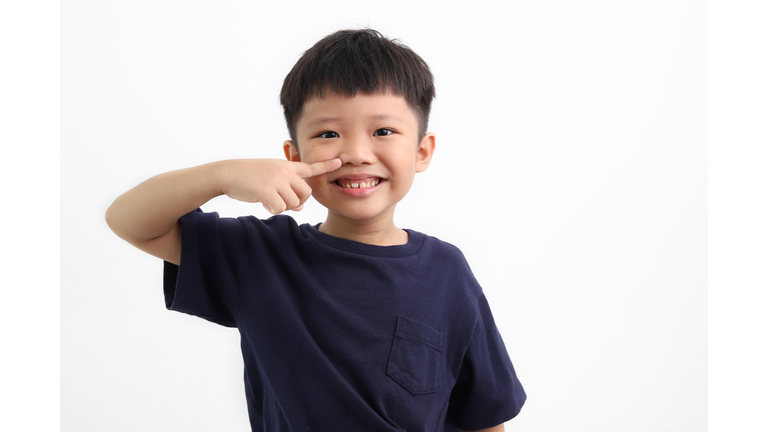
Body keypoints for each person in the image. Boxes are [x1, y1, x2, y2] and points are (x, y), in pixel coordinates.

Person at [106, 28, 526, 432]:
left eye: (383, 131)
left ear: (421, 150)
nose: (357, 154)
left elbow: (484, 414)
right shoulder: (261, 255)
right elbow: (128, 220)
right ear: (293, 155)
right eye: (328, 133)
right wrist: (224, 175)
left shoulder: (447, 271)